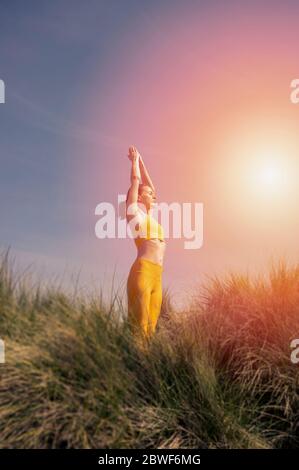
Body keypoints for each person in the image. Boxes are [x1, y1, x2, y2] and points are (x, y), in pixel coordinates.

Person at [126, 145, 166, 346]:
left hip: (157, 276)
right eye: (149, 193)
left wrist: (142, 162)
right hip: (142, 272)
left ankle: (146, 371)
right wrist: (134, 163)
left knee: (151, 330)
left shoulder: (153, 216)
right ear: (140, 197)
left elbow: (152, 186)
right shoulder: (135, 214)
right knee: (139, 330)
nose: (154, 194)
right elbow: (136, 182)